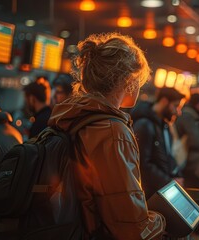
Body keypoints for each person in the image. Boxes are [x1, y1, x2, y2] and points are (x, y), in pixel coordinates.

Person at [48, 32, 165, 239]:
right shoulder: (112, 131)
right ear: (128, 80)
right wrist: (162, 220)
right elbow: (132, 228)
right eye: (139, 79)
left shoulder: (70, 117)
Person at [131, 87, 186, 199]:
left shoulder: (163, 125)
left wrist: (176, 176)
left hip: (161, 190)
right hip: (150, 195)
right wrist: (169, 182)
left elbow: (167, 156)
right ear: (164, 101)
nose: (178, 112)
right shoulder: (144, 124)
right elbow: (142, 164)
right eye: (176, 106)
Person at [175, 90, 199, 188]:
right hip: (190, 160)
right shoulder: (189, 116)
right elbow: (196, 140)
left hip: (189, 158)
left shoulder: (189, 114)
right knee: (194, 187)